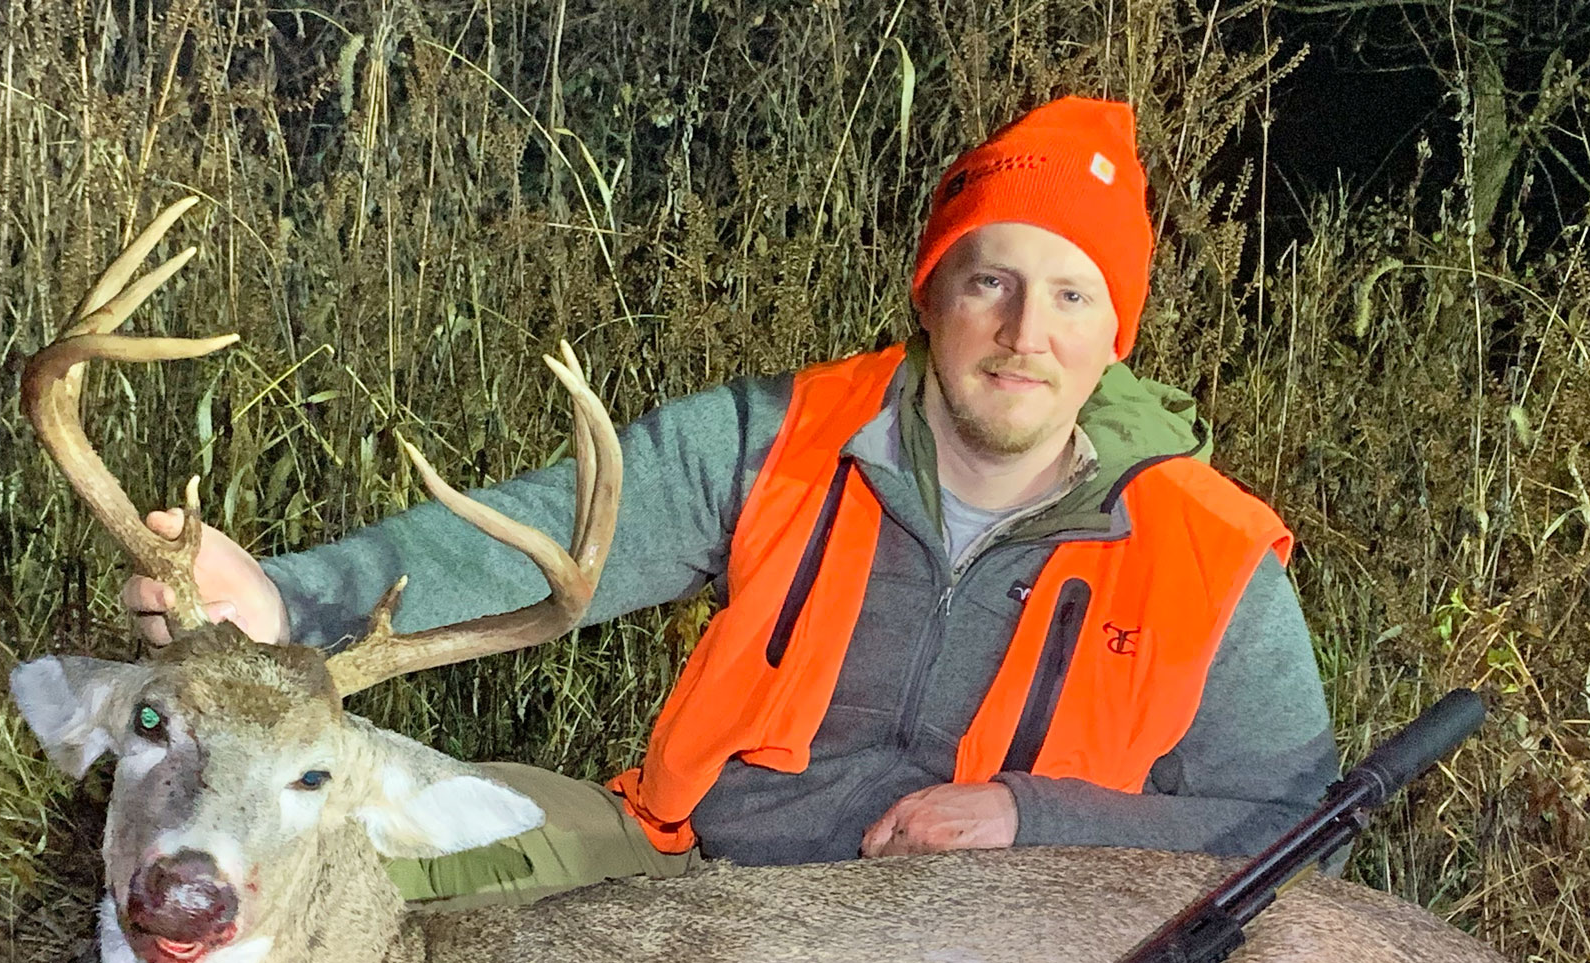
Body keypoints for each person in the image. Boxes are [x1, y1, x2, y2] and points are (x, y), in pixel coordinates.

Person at [122, 97, 1337, 907]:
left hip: (989, 948)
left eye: (1073, 296)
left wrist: (1033, 819)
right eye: (990, 282)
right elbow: (532, 540)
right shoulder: (780, 439)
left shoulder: (1211, 554)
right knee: (350, 842)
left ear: (1115, 328)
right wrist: (283, 600)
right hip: (691, 876)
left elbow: (1294, 832)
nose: (1024, 335)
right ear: (931, 295)